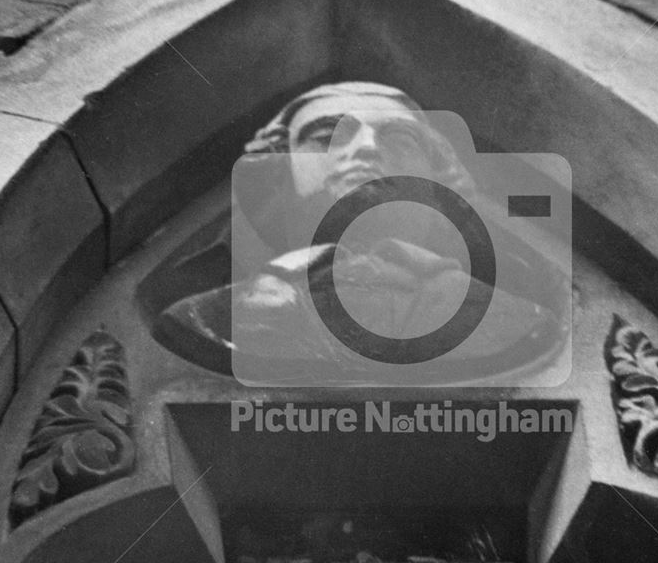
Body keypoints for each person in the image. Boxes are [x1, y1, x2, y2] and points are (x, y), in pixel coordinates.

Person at [153, 82, 570, 384]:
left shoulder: (513, 321)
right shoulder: (211, 318)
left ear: (442, 180)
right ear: (277, 176)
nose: (367, 148)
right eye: (326, 135)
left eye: (400, 138)